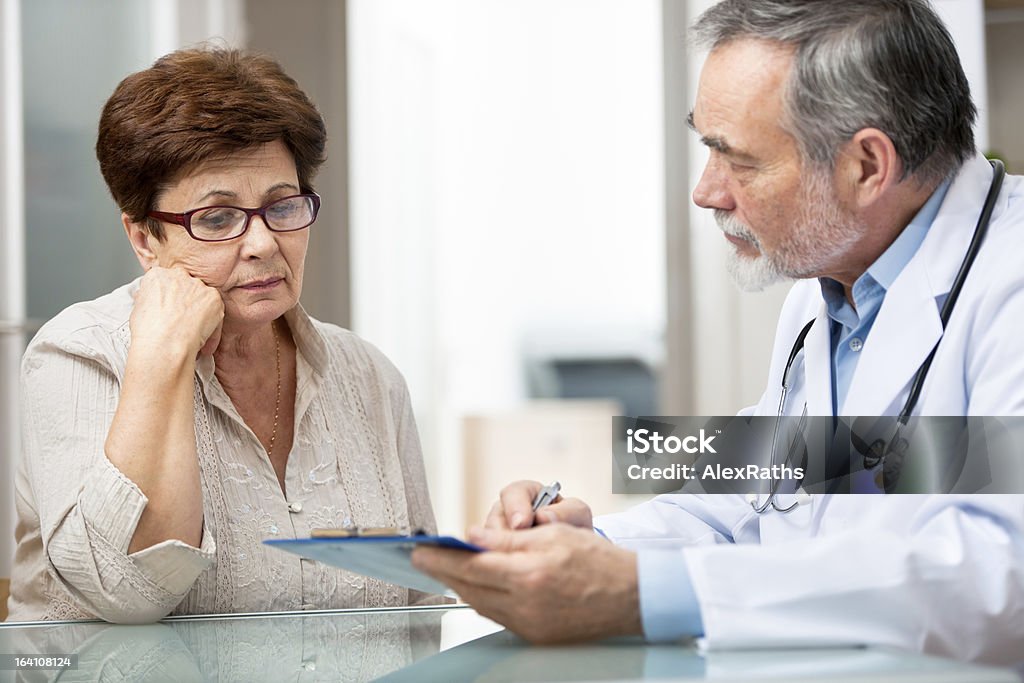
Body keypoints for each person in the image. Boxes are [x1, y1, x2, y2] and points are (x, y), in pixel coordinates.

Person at [412, 0, 1024, 666]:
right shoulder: (825, 302)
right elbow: (748, 503)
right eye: (707, 148)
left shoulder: (1007, 282)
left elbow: (996, 575)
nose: (708, 192)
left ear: (868, 166)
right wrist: (590, 544)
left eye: (739, 160)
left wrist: (642, 592)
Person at [7, 48, 438, 623]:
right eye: (217, 219)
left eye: (282, 206)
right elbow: (121, 593)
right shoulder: (78, 354)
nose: (262, 243)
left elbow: (422, 603)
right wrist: (162, 355)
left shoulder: (368, 375)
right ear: (144, 240)